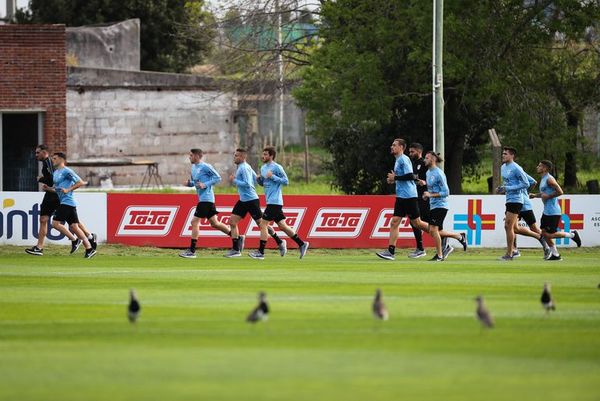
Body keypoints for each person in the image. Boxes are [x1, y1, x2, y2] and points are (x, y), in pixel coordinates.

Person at [25, 145, 97, 256]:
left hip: (61, 199)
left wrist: (42, 180)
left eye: (37, 152)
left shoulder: (58, 167)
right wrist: (49, 188)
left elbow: (80, 182)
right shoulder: (55, 169)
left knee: (57, 223)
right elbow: (56, 185)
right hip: (58, 197)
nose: (36, 155)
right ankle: (88, 241)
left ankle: (82, 241)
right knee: (73, 224)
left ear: (45, 152)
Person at [250, 146, 309, 260]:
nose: (263, 156)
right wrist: (259, 180)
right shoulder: (263, 168)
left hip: (275, 201)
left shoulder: (277, 167)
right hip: (271, 201)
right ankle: (302, 244)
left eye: (266, 154)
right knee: (282, 226)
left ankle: (261, 252)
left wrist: (273, 176)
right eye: (263, 154)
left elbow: (286, 181)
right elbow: (264, 183)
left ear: (271, 156)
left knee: (263, 224)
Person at [376, 138, 429, 261]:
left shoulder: (404, 159)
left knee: (418, 223)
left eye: (394, 145)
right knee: (395, 222)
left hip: (409, 196)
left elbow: (411, 175)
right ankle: (391, 251)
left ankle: (439, 234)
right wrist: (394, 179)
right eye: (392, 145)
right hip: (401, 196)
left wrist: (396, 177)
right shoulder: (398, 160)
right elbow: (404, 177)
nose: (391, 147)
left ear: (401, 147)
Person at [179, 149, 232, 258]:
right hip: (205, 199)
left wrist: (206, 184)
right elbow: (196, 183)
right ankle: (237, 237)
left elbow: (218, 177)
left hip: (206, 199)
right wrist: (189, 183)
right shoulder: (193, 168)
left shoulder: (205, 166)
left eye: (191, 155)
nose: (189, 157)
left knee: (194, 222)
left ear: (197, 156)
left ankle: (192, 251)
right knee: (214, 223)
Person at [45, 152, 96, 259]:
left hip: (67, 202)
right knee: (74, 226)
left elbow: (81, 182)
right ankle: (89, 248)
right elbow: (58, 189)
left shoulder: (67, 171)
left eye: (54, 158)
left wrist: (68, 189)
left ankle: (75, 240)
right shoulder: (56, 172)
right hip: (64, 201)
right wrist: (49, 189)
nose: (52, 160)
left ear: (61, 160)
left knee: (55, 224)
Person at [530, 160, 581, 260]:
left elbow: (560, 191)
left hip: (553, 212)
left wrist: (548, 196)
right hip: (547, 211)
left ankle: (572, 234)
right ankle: (555, 255)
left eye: (539, 166)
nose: (537, 167)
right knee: (544, 233)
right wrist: (535, 195)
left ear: (545, 168)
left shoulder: (549, 179)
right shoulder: (544, 179)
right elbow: (545, 193)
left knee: (549, 234)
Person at [422, 151, 467, 261]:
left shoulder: (439, 173)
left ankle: (440, 255)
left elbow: (446, 192)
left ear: (432, 160)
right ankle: (459, 236)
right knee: (434, 231)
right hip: (433, 205)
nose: (424, 160)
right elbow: (433, 187)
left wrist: (430, 194)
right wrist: (426, 192)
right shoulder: (428, 172)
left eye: (426, 158)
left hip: (441, 205)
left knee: (433, 230)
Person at [225, 148, 262, 258]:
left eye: (236, 156)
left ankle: (279, 241)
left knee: (262, 225)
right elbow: (256, 179)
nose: (234, 157)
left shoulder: (244, 168)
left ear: (242, 157)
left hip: (251, 200)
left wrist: (234, 180)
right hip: (243, 200)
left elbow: (247, 184)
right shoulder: (245, 167)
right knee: (232, 222)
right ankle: (236, 250)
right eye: (234, 155)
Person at [496, 146, 530, 261]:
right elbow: (507, 183)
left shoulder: (516, 168)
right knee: (512, 227)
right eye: (503, 153)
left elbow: (526, 183)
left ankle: (510, 254)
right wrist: (501, 189)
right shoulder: (503, 167)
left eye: (505, 154)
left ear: (512, 156)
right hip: (509, 200)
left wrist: (508, 188)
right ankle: (539, 236)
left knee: (508, 226)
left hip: (516, 200)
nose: (503, 155)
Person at [512, 172, 548, 257]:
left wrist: (525, 193)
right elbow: (533, 182)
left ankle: (547, 246)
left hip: (522, 205)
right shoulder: (508, 172)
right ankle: (514, 250)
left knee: (534, 229)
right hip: (516, 203)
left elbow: (534, 182)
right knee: (511, 227)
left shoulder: (518, 171)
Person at [408, 143, 429, 258]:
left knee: (427, 223)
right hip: (415, 197)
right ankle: (420, 248)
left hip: (425, 197)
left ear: (419, 151)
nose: (410, 154)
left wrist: (425, 183)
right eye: (410, 152)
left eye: (412, 152)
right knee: (414, 222)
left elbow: (430, 178)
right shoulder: (413, 164)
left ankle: (445, 241)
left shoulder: (424, 164)